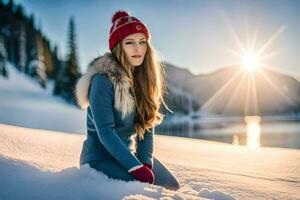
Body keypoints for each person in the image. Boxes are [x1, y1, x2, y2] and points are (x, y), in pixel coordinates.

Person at [75, 10, 180, 191]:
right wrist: (136, 168)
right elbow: (106, 133)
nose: (137, 48)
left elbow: (146, 127)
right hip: (99, 159)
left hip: (128, 154)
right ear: (118, 47)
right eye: (129, 42)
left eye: (142, 42)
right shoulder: (102, 81)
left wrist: (145, 162)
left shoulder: (142, 80)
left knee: (171, 185)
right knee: (145, 190)